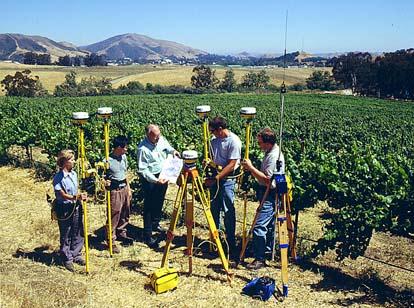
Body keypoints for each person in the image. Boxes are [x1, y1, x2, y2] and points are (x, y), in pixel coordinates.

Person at [241, 127, 285, 270]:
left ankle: (260, 258)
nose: (258, 146)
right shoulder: (270, 152)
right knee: (269, 226)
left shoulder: (274, 157)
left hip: (270, 194)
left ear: (268, 143)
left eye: (260, 143)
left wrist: (251, 168)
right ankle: (266, 252)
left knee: (259, 226)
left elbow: (268, 181)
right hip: (266, 193)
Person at [137, 124, 179, 247]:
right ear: (148, 135)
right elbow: (143, 170)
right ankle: (148, 235)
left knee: (159, 201)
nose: (158, 138)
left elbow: (168, 148)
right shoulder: (142, 149)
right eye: (155, 136)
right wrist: (155, 180)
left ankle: (156, 224)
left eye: (159, 135)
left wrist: (174, 151)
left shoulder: (161, 139)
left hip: (163, 175)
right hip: (151, 179)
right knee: (149, 207)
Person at [206, 116, 242, 260]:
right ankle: (216, 239)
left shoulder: (234, 141)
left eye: (213, 131)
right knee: (213, 208)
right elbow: (210, 157)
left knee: (228, 209)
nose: (212, 134)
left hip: (227, 179)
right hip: (215, 176)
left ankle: (230, 243)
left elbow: (232, 164)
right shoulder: (213, 141)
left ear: (220, 129)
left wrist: (216, 178)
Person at [53, 150, 87, 272]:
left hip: (76, 205)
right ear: (65, 161)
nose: (74, 161)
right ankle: (66, 258)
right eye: (71, 159)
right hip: (65, 208)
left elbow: (76, 190)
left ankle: (76, 253)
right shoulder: (58, 177)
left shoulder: (74, 174)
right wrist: (75, 197)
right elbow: (61, 194)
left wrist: (80, 196)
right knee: (66, 232)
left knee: (78, 230)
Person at [105, 136, 133, 253]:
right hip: (114, 190)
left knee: (125, 212)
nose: (126, 149)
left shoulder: (124, 157)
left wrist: (129, 189)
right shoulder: (107, 161)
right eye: (125, 147)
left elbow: (125, 173)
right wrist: (105, 182)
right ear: (118, 147)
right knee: (114, 214)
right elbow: (102, 178)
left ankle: (122, 232)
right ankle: (111, 240)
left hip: (124, 188)